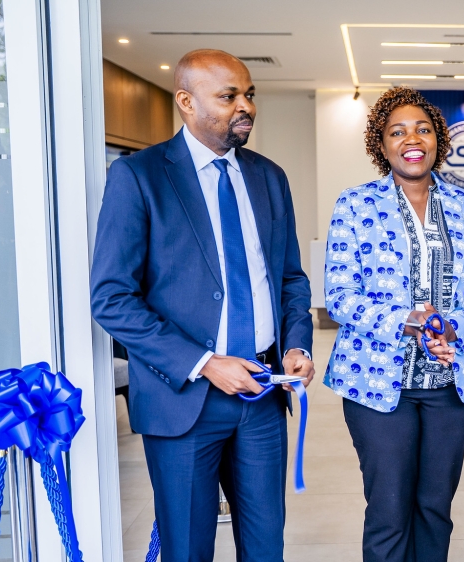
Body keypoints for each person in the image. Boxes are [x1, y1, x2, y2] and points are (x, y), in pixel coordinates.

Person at [90, 49, 314, 562]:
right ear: (186, 102)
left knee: (266, 549)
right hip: (182, 400)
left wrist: (297, 345)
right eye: (229, 96)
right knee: (188, 550)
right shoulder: (139, 176)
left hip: (262, 395)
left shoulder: (269, 177)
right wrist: (206, 363)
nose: (246, 106)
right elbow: (112, 298)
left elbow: (289, 279)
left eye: (249, 94)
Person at [322, 86, 464, 562]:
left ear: (438, 140)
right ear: (381, 144)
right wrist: (405, 319)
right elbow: (340, 296)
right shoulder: (356, 204)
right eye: (397, 131)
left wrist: (454, 325)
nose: (412, 139)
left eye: (423, 129)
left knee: (435, 510)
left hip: (448, 383)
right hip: (375, 383)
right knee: (389, 512)